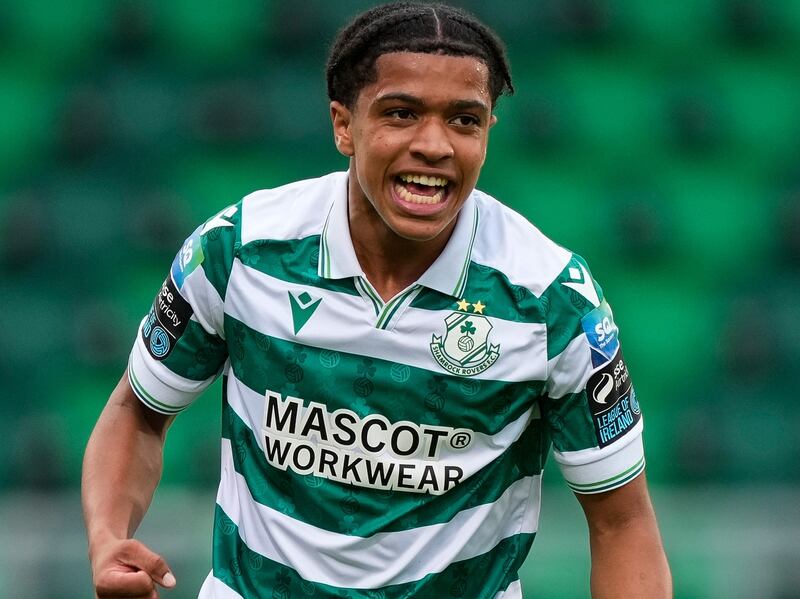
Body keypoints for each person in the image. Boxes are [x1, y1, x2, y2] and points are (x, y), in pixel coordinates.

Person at [82, 2, 672, 598]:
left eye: (465, 120)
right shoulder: (239, 252)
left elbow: (622, 521)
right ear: (344, 125)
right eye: (402, 113)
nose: (435, 145)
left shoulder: (551, 300)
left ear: (489, 130)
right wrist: (108, 539)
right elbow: (138, 412)